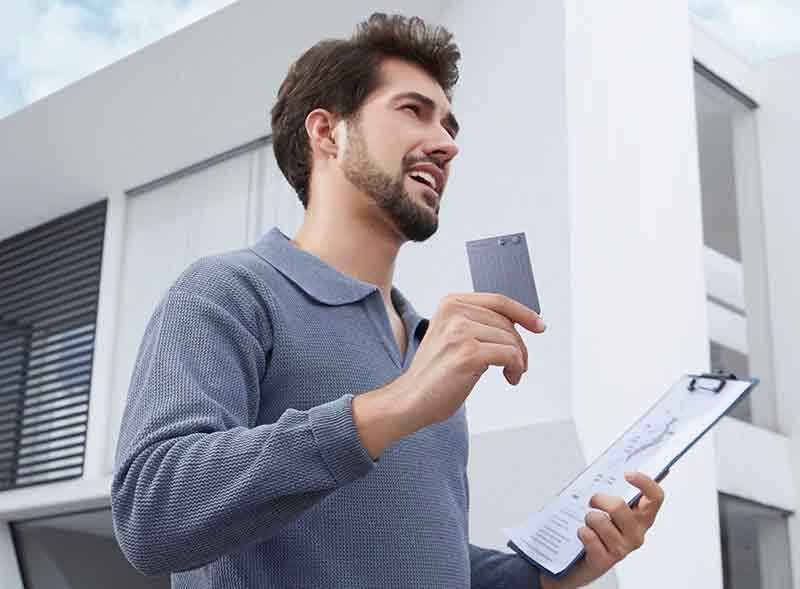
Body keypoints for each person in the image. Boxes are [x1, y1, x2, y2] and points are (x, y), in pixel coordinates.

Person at [111, 12, 665, 589]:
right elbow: (151, 514)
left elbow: (427, 560)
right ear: (327, 132)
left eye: (450, 126)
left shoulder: (427, 347)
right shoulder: (227, 292)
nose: (446, 144)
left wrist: (559, 570)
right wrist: (396, 405)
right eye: (412, 111)